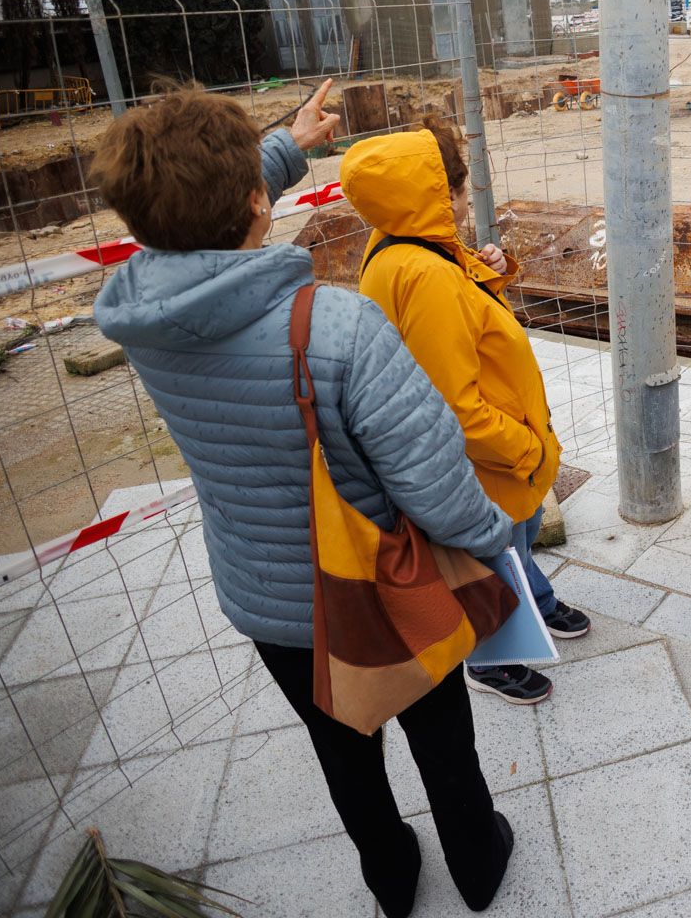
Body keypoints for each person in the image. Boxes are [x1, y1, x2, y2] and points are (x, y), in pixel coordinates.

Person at [91, 82, 517, 918]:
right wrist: (497, 535)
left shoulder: (144, 315)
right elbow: (434, 485)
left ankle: (391, 875)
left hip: (265, 595)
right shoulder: (337, 326)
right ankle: (476, 858)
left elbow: (193, 218)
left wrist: (287, 148)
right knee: (441, 734)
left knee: (342, 748)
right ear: (255, 199)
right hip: (380, 587)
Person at [340, 117, 590, 705]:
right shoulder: (425, 275)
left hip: (490, 454)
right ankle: (492, 659)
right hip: (488, 455)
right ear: (433, 193)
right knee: (489, 556)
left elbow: (467, 322)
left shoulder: (400, 245)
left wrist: (493, 276)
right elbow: (456, 404)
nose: (461, 199)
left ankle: (541, 604)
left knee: (515, 541)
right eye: (455, 188)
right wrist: (528, 450)